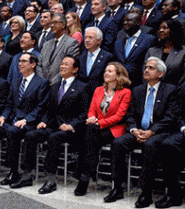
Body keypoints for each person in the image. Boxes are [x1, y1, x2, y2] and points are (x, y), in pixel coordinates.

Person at [104, 57, 177, 208]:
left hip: (159, 132)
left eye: (151, 68)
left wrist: (152, 131)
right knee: (118, 143)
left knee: (150, 146)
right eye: (146, 67)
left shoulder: (170, 90)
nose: (146, 70)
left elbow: (170, 118)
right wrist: (134, 130)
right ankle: (117, 187)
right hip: (138, 130)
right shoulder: (137, 90)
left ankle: (146, 192)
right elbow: (130, 115)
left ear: (160, 74)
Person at [10, 55, 90, 192]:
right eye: (62, 63)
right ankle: (27, 175)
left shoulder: (83, 87)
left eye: (66, 64)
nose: (62, 66)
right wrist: (44, 121)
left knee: (54, 138)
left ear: (75, 69)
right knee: (30, 135)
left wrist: (71, 125)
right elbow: (48, 109)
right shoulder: (55, 86)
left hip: (72, 130)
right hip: (53, 126)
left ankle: (50, 179)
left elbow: (84, 113)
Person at [0, 53, 50, 186]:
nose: (20, 64)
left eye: (24, 61)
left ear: (33, 64)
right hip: (12, 120)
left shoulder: (42, 82)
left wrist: (26, 120)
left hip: (29, 123)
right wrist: (3, 117)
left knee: (13, 132)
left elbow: (41, 107)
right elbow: (9, 104)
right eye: (19, 61)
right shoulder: (15, 81)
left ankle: (13, 171)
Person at [74, 62, 132, 196]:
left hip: (114, 129)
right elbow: (91, 110)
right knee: (89, 132)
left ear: (118, 76)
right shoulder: (98, 90)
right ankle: (88, 171)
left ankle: (84, 175)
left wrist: (99, 123)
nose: (106, 73)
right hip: (96, 129)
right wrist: (92, 118)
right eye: (106, 70)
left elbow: (119, 116)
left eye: (110, 71)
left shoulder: (125, 92)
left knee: (88, 137)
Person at [114, 13, 157, 87]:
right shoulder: (118, 42)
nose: (125, 23)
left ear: (138, 22)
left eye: (129, 20)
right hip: (120, 83)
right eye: (124, 21)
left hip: (138, 83)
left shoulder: (149, 39)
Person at [37, 14, 79, 84]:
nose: (52, 25)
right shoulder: (46, 44)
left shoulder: (72, 43)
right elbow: (39, 65)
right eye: (51, 23)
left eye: (55, 22)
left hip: (59, 84)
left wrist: (53, 82)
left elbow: (69, 66)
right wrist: (42, 81)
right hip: (42, 85)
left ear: (63, 25)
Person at [145, 19, 185, 86]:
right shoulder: (152, 51)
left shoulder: (183, 52)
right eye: (160, 28)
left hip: (175, 90)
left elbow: (183, 76)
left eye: (165, 28)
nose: (161, 30)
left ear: (174, 30)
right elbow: (145, 72)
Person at [78, 27, 113, 93]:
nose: (87, 40)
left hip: (99, 94)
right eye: (86, 37)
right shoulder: (81, 57)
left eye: (90, 37)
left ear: (99, 40)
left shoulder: (107, 57)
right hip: (82, 94)